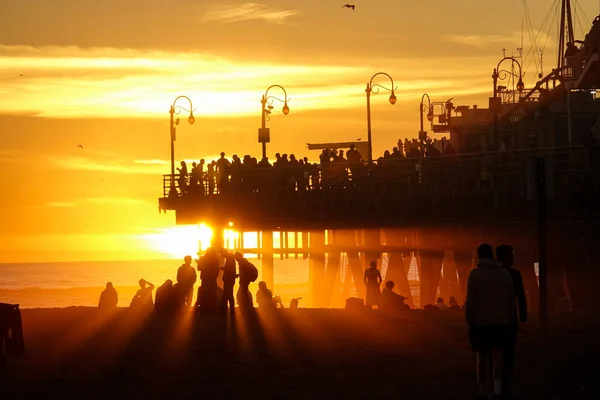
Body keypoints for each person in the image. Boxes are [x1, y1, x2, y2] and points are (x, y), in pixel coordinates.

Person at [465, 244, 515, 400]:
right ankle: (497, 391)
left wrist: (469, 319)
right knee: (498, 359)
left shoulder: (475, 274)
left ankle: (483, 390)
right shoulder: (505, 274)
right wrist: (510, 319)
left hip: (480, 323)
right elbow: (510, 300)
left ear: (479, 256)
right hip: (500, 322)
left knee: (482, 358)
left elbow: (470, 300)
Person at [496, 245, 528, 398]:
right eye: (512, 255)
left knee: (494, 352)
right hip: (509, 317)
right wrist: (523, 314)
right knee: (509, 353)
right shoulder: (514, 274)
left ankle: (495, 386)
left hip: (493, 317)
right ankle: (506, 386)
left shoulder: (493, 274)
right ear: (508, 257)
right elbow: (520, 295)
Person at [220, 249, 237, 315]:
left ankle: (228, 310)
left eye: (222, 254)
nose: (222, 255)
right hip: (230, 280)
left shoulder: (229, 258)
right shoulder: (230, 258)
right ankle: (229, 309)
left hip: (228, 280)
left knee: (228, 294)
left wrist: (223, 269)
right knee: (229, 294)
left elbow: (229, 270)